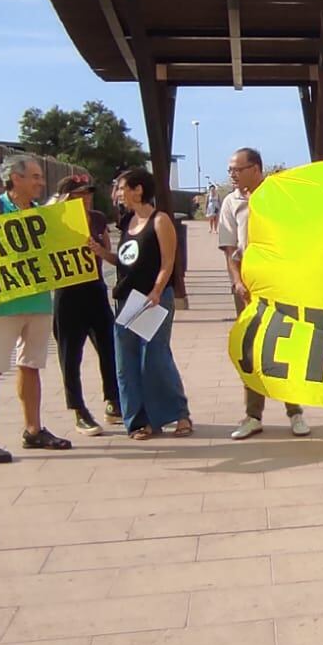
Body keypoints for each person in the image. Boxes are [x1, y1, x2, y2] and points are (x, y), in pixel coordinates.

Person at [0, 155, 73, 463]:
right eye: (35, 176)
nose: (41, 182)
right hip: (1, 305)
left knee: (32, 365)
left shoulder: (41, 213)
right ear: (15, 178)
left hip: (37, 300)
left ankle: (33, 429)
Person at [220, 147, 310, 439]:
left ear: (256, 169)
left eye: (238, 169)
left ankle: (295, 412)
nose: (233, 174)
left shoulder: (278, 196)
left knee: (282, 345)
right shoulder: (231, 203)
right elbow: (230, 248)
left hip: (280, 284)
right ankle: (253, 414)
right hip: (247, 285)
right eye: (230, 169)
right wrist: (237, 280)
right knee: (250, 349)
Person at [110, 168, 193, 441]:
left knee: (154, 359)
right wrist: (103, 254)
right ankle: (138, 420)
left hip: (151, 299)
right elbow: (126, 261)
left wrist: (157, 291)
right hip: (126, 300)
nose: (119, 194)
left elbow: (169, 262)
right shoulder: (127, 222)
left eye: (123, 188)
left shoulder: (160, 221)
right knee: (127, 361)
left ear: (139, 190)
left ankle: (178, 413)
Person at [51, 177, 122, 435]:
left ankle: (113, 401)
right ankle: (79, 409)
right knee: (70, 355)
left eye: (88, 193)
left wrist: (99, 250)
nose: (86, 198)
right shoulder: (54, 221)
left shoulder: (97, 218)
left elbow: (109, 250)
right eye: (79, 194)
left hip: (94, 288)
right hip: (67, 293)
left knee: (108, 346)